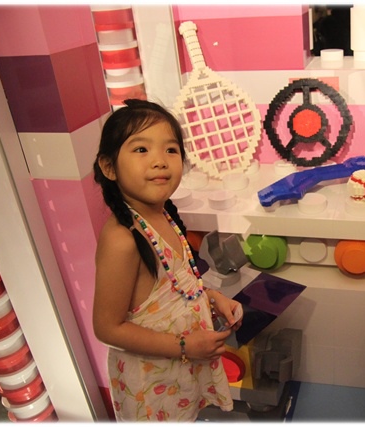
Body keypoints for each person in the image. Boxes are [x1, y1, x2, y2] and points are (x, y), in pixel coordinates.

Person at [92, 99, 242, 421]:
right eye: (141, 149)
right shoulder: (122, 239)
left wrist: (212, 298)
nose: (160, 161)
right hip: (152, 384)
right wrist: (185, 346)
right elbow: (107, 328)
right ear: (109, 167)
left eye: (171, 150)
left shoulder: (165, 215)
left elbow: (175, 285)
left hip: (179, 374)